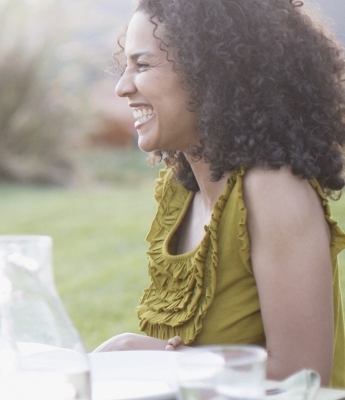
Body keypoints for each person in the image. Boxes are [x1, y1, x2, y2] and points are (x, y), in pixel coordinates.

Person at [96, 0, 345, 386]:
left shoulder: (272, 191)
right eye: (125, 65)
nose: (122, 86)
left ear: (209, 74)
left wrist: (151, 360)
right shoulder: (180, 190)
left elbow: (304, 378)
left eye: (142, 65)